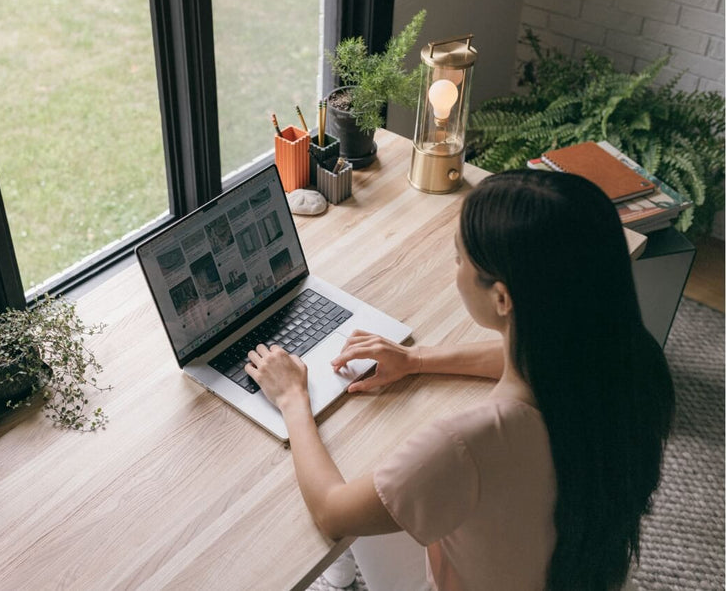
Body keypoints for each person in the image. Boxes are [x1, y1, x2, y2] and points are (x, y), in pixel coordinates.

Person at [245, 169, 675, 590]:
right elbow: (543, 356)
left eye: (458, 259)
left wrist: (292, 398)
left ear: (502, 297)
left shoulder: (467, 443)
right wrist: (415, 359)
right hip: (583, 568)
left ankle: (335, 578)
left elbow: (331, 512)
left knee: (367, 482)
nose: (454, 270)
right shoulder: (633, 361)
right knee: (396, 488)